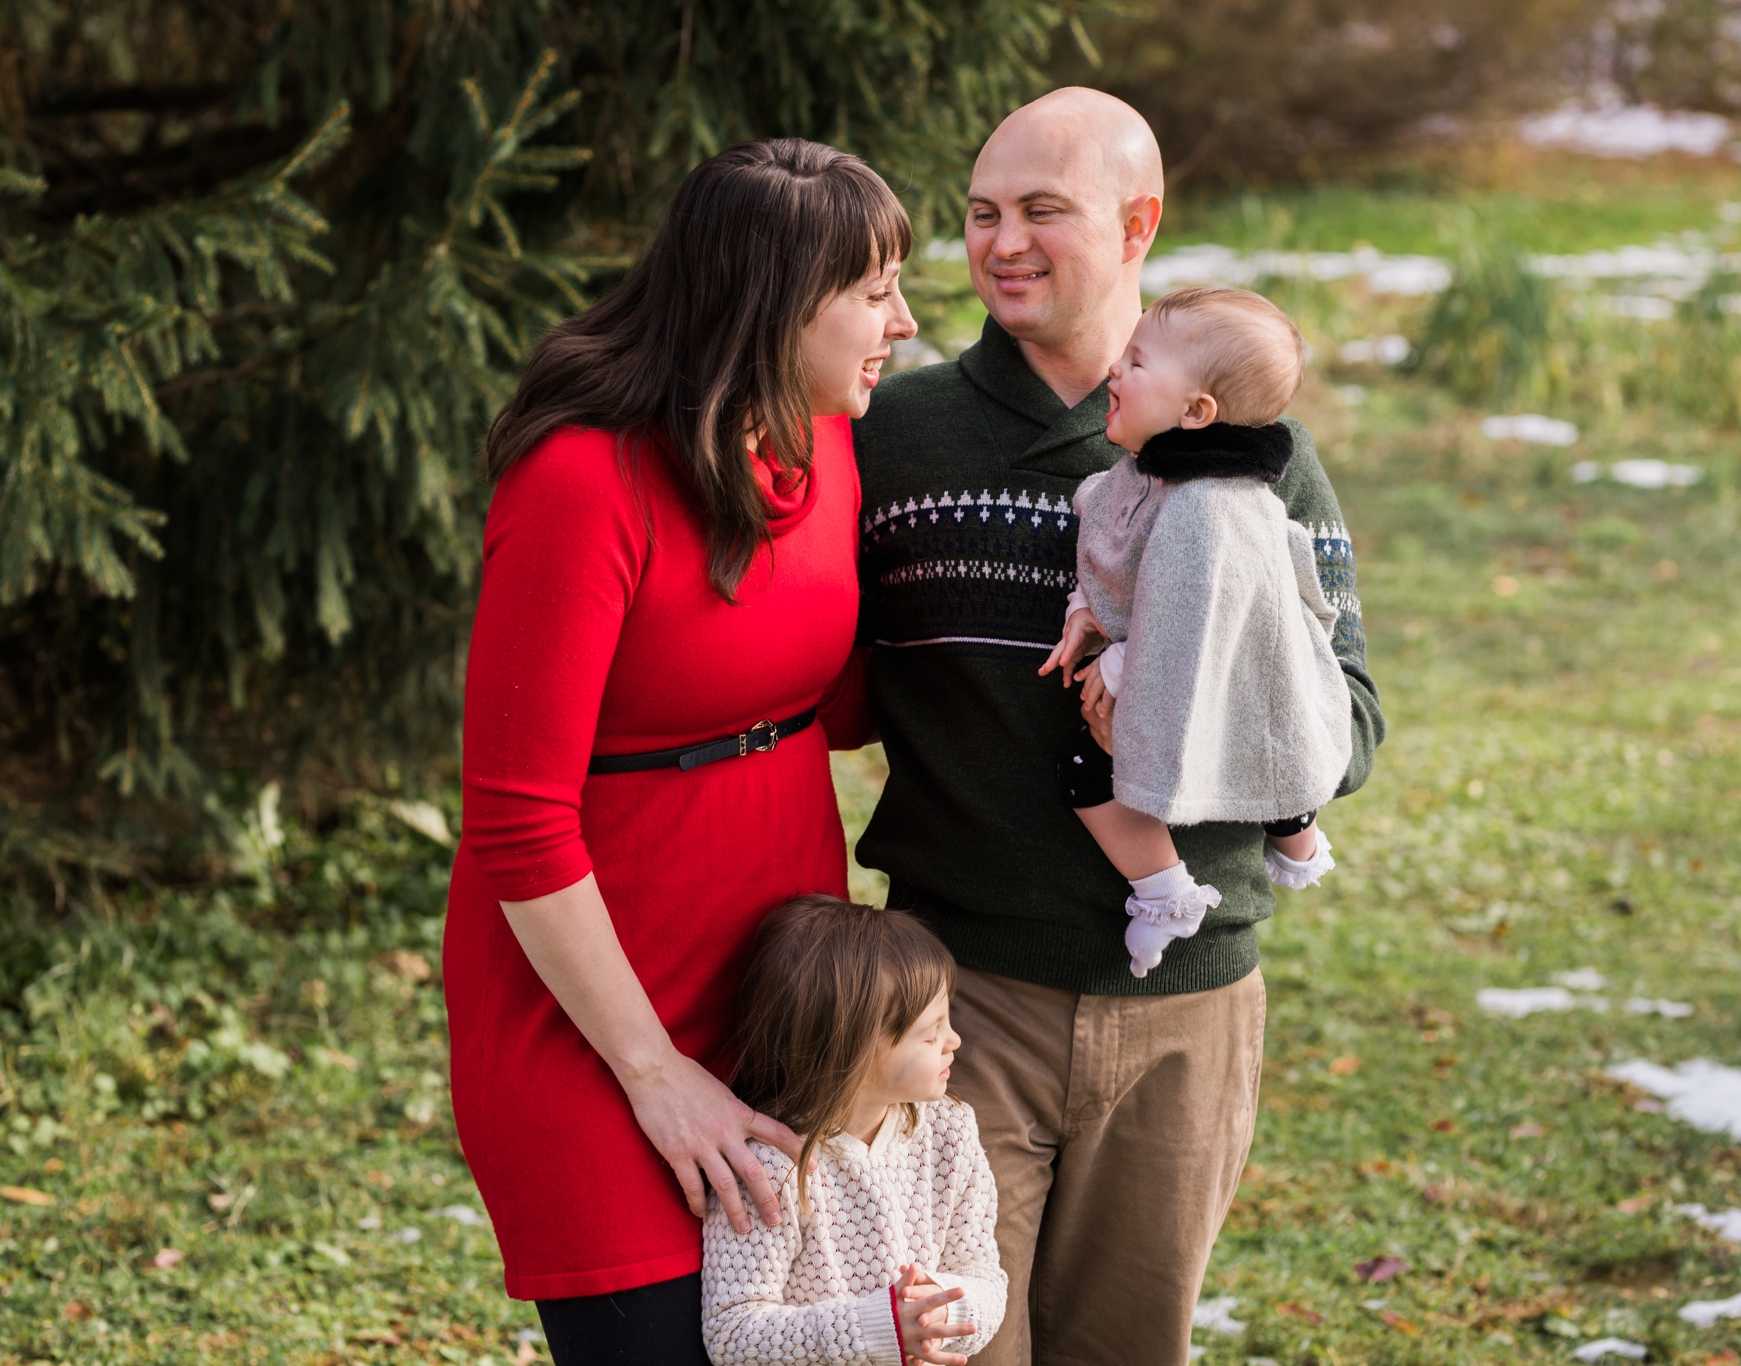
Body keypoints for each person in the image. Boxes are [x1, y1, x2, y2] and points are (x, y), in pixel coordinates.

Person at [851, 88, 1384, 1365]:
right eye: (981, 215)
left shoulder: (1255, 454)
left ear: (1139, 223)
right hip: (957, 999)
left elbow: (1349, 723)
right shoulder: (891, 436)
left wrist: (1190, 696)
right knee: (948, 1350)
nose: (1002, 242)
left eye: (1044, 210)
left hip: (1184, 1017)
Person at [443, 139, 917, 1366]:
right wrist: (651, 1072)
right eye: (872, 293)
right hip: (599, 1012)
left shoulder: (827, 439)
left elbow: (843, 699)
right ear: (771, 304)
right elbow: (515, 817)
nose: (903, 323)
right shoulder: (580, 479)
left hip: (777, 974)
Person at [1039, 286, 1349, 978]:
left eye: (1138, 362)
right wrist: (1084, 609)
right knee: (1267, 742)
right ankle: (1292, 833)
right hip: (1228, 682)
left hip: (1240, 671)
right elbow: (1117, 565)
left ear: (1196, 412)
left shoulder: (1208, 506)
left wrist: (1122, 667)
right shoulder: (1150, 479)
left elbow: (1188, 613)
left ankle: (1166, 894)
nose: (1115, 370)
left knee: (1096, 770)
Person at [702, 894, 1007, 1366]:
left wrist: (938, 1308)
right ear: (852, 1050)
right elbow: (734, 1333)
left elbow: (984, 1276)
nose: (954, 1042)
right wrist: (880, 1327)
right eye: (931, 1033)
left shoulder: (949, 1130)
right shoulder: (770, 1165)